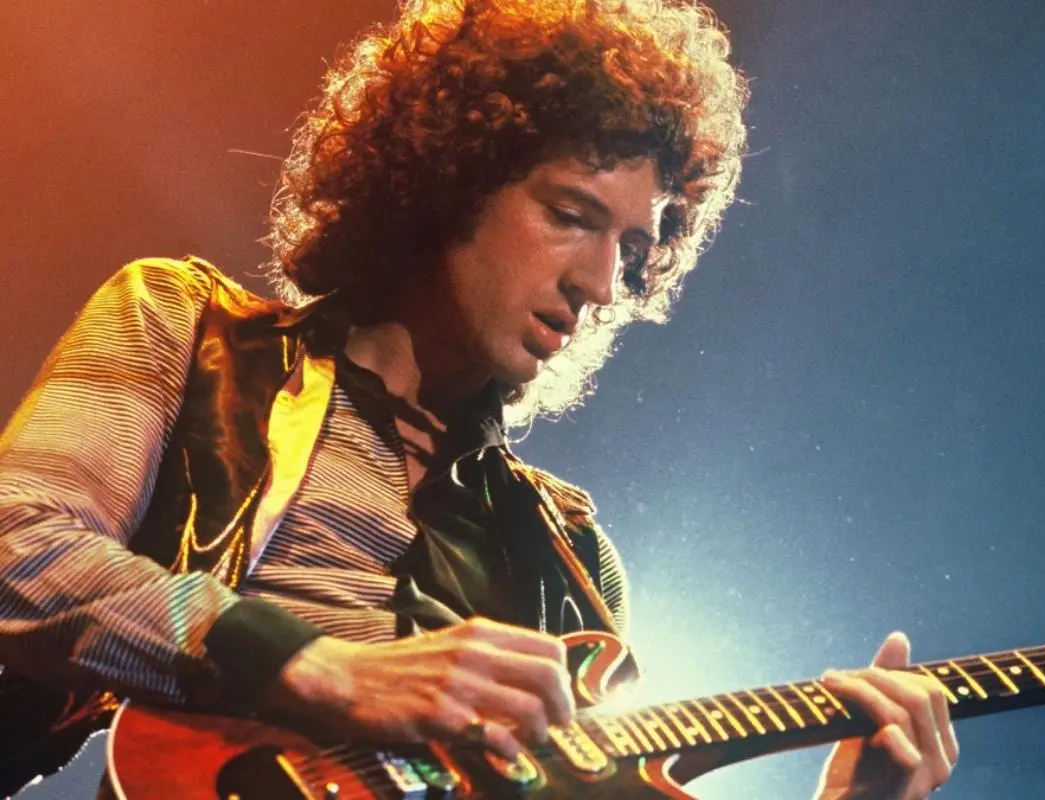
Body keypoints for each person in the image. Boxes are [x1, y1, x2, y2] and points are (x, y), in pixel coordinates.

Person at [0, 0, 957, 797]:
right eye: (572, 215)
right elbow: (19, 548)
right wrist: (317, 668)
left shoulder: (569, 553)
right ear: (448, 180)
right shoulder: (188, 324)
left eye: (632, 249)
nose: (602, 282)